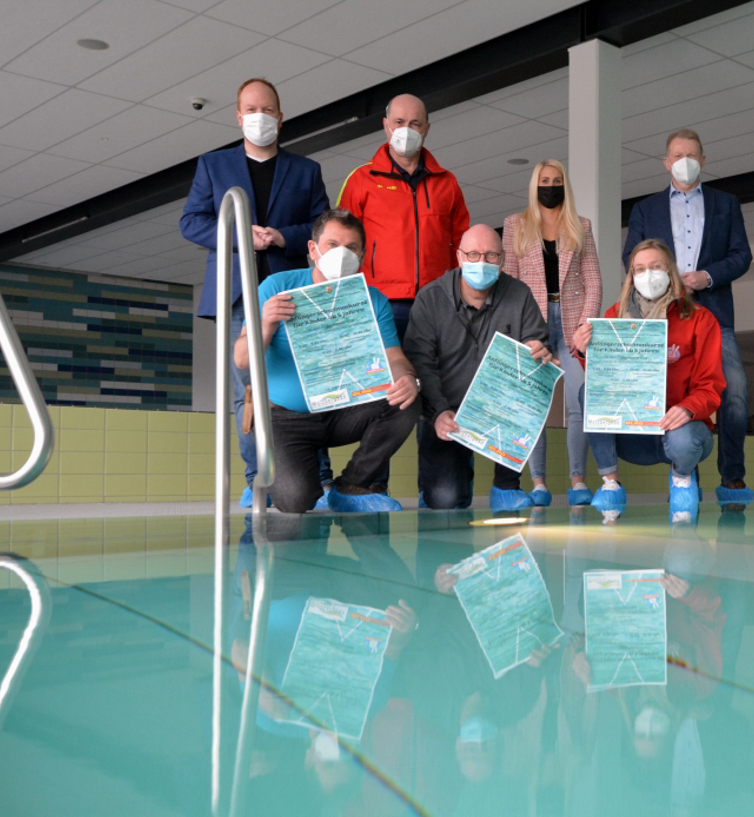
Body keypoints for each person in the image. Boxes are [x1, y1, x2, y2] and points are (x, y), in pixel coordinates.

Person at [182, 78, 331, 508]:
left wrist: (282, 237)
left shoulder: (306, 170)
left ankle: (317, 479)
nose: (259, 117)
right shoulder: (213, 165)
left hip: (292, 290)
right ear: (238, 116)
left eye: (267, 110)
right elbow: (191, 221)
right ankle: (255, 481)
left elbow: (323, 227)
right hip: (236, 294)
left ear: (280, 117)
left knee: (304, 381)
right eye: (251, 110)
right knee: (244, 388)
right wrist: (238, 234)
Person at [233, 209, 419, 514]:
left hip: (341, 412)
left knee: (407, 399)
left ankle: (350, 486)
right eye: (333, 245)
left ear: (362, 253)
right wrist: (265, 323)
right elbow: (241, 360)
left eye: (352, 247)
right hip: (283, 417)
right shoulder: (276, 286)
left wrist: (407, 378)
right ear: (313, 249)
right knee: (296, 500)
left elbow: (394, 357)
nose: (342, 254)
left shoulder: (372, 299)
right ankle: (273, 478)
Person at [336, 93, 469, 497]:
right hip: (380, 307)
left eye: (415, 123)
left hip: (436, 310)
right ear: (385, 125)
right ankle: (370, 488)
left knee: (440, 393)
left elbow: (461, 248)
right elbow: (342, 248)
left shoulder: (447, 183)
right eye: (399, 122)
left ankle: (445, 492)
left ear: (427, 128)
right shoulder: (361, 180)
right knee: (384, 399)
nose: (406, 130)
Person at [623, 128, 754, 507]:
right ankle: (687, 479)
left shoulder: (725, 204)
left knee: (734, 393)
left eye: (692, 154)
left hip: (713, 310)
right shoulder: (645, 209)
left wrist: (705, 276)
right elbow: (630, 256)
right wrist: (660, 280)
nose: (685, 161)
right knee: (678, 392)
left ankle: (732, 478)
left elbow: (741, 255)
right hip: (660, 316)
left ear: (703, 159)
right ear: (666, 162)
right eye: (678, 155)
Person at [571, 239, 725, 523]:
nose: (648, 275)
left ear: (671, 272)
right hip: (632, 434)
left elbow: (711, 385)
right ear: (631, 276)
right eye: (640, 269)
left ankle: (681, 481)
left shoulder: (700, 320)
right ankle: (611, 483)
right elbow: (606, 380)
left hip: (679, 431)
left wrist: (688, 408)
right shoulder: (614, 316)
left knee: (684, 436)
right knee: (588, 391)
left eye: (656, 267)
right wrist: (584, 351)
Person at [403, 225, 551, 511]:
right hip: (448, 413)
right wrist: (437, 411)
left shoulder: (519, 295)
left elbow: (538, 342)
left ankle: (506, 485)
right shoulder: (430, 298)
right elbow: (422, 363)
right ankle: (443, 479)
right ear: (459, 257)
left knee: (535, 381)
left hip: (501, 411)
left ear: (503, 259)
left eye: (491, 255)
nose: (481, 262)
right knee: (444, 501)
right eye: (473, 254)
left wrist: (537, 349)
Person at [502, 160, 602, 508]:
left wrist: (584, 328)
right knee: (534, 405)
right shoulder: (515, 225)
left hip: (572, 324)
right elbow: (508, 283)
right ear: (535, 184)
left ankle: (577, 480)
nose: (550, 185)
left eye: (556, 180)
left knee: (579, 399)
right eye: (544, 180)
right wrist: (520, 331)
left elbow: (593, 281)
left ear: (565, 185)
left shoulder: (581, 226)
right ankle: (539, 483)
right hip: (532, 323)